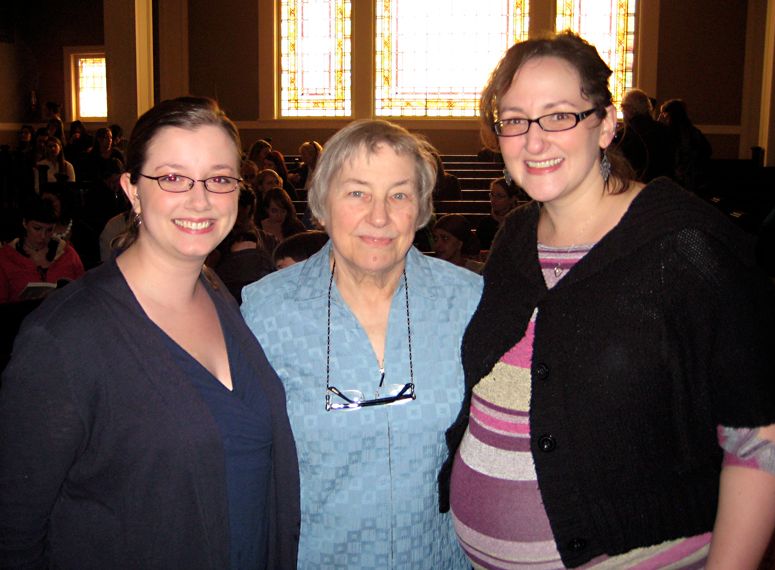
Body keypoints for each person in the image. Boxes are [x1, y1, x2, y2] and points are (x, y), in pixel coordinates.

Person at [438, 31, 775, 570]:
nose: (534, 140)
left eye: (558, 116)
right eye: (514, 119)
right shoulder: (513, 237)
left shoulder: (687, 246)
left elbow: (760, 439)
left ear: (606, 124)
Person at [0, 96, 300, 569]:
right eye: (173, 177)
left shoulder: (219, 295)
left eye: (219, 178)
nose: (200, 199)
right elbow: (15, 533)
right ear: (133, 190)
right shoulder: (64, 338)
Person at [241, 118, 483, 569]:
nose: (379, 216)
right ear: (321, 204)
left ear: (422, 207)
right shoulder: (265, 312)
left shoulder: (469, 302)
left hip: (437, 558)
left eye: (399, 194)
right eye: (357, 192)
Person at [0, 197, 85, 303]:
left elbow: (84, 291)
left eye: (49, 230)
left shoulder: (67, 253)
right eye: (37, 228)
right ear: (25, 223)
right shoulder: (6, 257)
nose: (43, 236)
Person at [615, 88, 675, 182]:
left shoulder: (625, 136)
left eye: (623, 107)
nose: (622, 111)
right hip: (663, 186)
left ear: (630, 110)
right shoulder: (664, 130)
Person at [658, 98, 712, 194]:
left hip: (681, 179)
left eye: (663, 115)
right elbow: (707, 151)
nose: (661, 118)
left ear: (670, 115)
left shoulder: (669, 134)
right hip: (694, 179)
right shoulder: (694, 132)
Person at [476, 177, 525, 249]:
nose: (493, 200)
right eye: (492, 195)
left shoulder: (521, 222)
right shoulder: (485, 223)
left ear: (512, 199)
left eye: (500, 196)